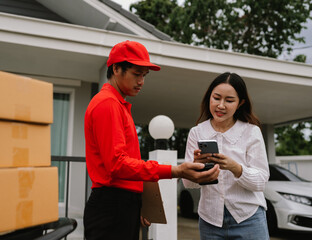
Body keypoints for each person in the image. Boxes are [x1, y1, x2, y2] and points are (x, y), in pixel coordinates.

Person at [83, 40, 220, 240]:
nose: (141, 81)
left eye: (144, 76)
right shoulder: (108, 104)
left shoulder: (117, 104)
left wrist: (141, 201)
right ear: (116, 69)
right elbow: (117, 164)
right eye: (136, 74)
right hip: (112, 206)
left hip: (120, 205)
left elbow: (127, 164)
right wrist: (176, 170)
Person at [183, 72, 270, 240]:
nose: (221, 105)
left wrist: (235, 168)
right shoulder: (197, 132)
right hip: (210, 220)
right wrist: (195, 168)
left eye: (229, 101)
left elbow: (261, 181)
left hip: (249, 218)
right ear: (209, 98)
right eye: (216, 98)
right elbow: (188, 183)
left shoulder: (251, 132)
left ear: (240, 103)